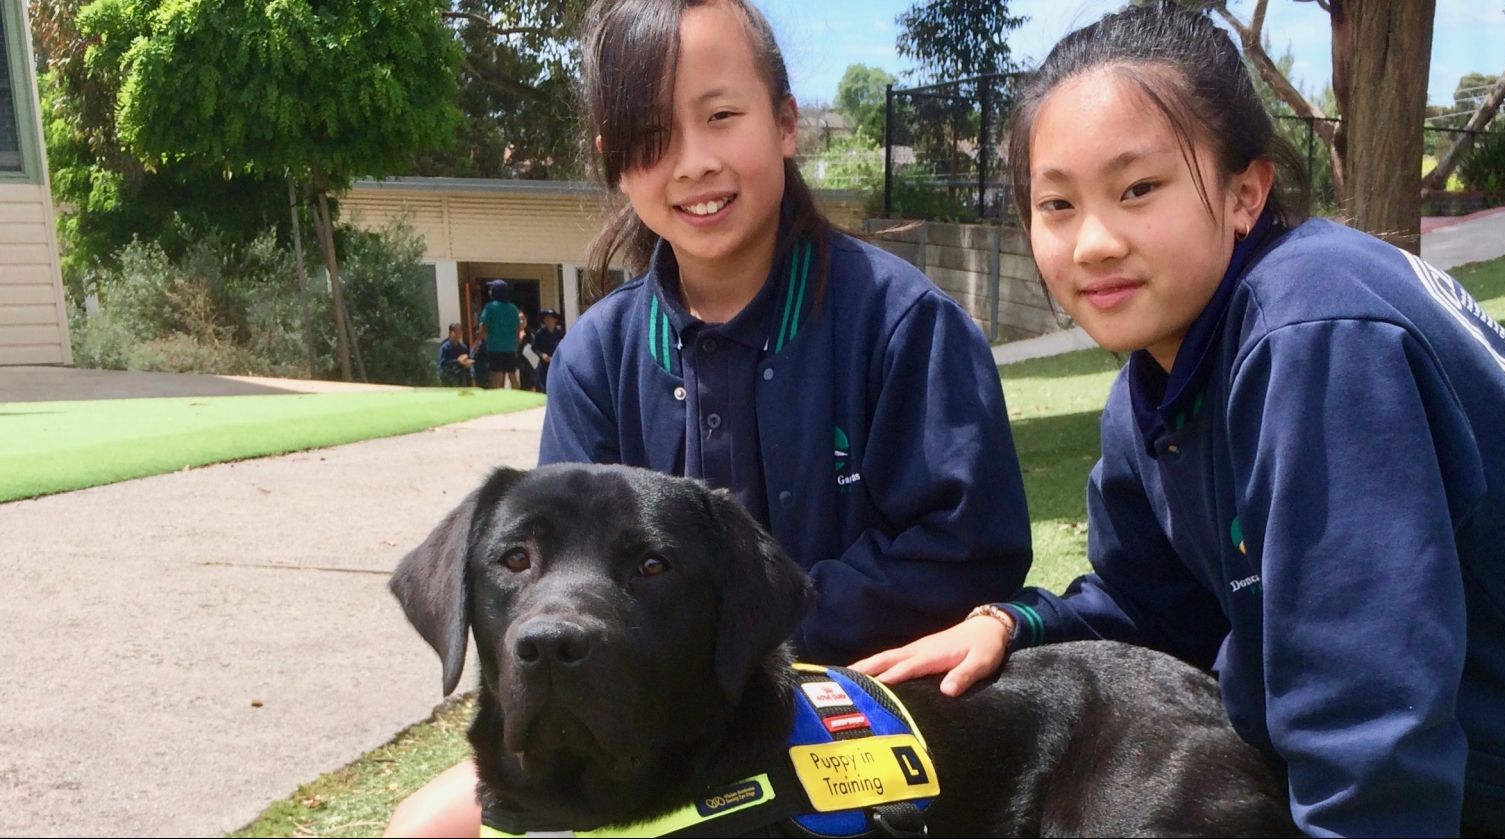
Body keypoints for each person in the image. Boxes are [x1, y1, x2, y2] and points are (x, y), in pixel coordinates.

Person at [850, 5, 1505, 837]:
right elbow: (1152, 607)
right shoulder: (1150, 385)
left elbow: (1369, 699)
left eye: (1138, 189)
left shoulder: (1315, 333)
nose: (1094, 241)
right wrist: (1008, 624)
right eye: (1057, 205)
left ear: (1244, 193)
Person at [383, 0, 1030, 834]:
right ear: (615, 162)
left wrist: (742, 629)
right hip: (657, 719)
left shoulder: (902, 325)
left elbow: (972, 551)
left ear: (787, 123)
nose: (692, 163)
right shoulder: (597, 355)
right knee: (424, 824)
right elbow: (565, 563)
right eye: (650, 135)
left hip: (863, 705)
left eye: (721, 116)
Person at [474, 280, 521, 390]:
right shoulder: (513, 308)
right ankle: (519, 397)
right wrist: (516, 347)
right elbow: (517, 329)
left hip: (495, 347)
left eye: (491, 289)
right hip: (510, 348)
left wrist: (477, 342)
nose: (489, 291)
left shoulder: (490, 307)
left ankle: (496, 400)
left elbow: (484, 327)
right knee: (512, 375)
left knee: (497, 375)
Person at [529, 308, 565, 393]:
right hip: (543, 367)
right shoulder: (539, 334)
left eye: (551, 318)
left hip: (557, 365)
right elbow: (534, 348)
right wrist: (542, 355)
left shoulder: (561, 334)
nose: (548, 320)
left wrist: (555, 357)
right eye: (546, 318)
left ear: (555, 320)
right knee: (543, 388)